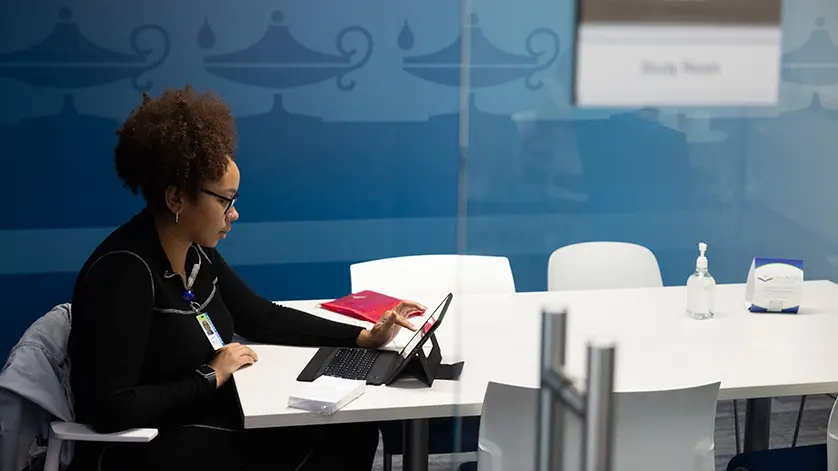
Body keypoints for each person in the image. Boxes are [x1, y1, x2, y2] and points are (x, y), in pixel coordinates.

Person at [66, 85, 425, 471]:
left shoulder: (196, 252)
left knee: (352, 430)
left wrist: (362, 337)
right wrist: (209, 375)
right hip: (145, 446)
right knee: (332, 436)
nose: (234, 214)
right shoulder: (124, 273)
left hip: (198, 416)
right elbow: (110, 408)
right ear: (176, 199)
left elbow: (262, 318)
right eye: (225, 200)